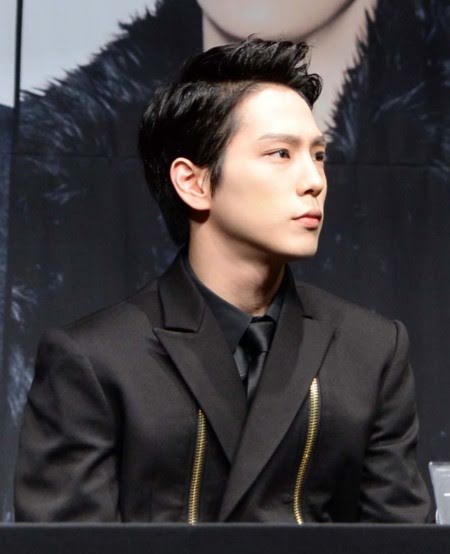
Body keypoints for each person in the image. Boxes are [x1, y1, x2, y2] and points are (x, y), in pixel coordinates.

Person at [14, 38, 430, 523]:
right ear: (193, 182)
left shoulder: (370, 351)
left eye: (319, 155)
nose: (314, 180)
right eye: (280, 153)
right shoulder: (97, 360)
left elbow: (402, 538)